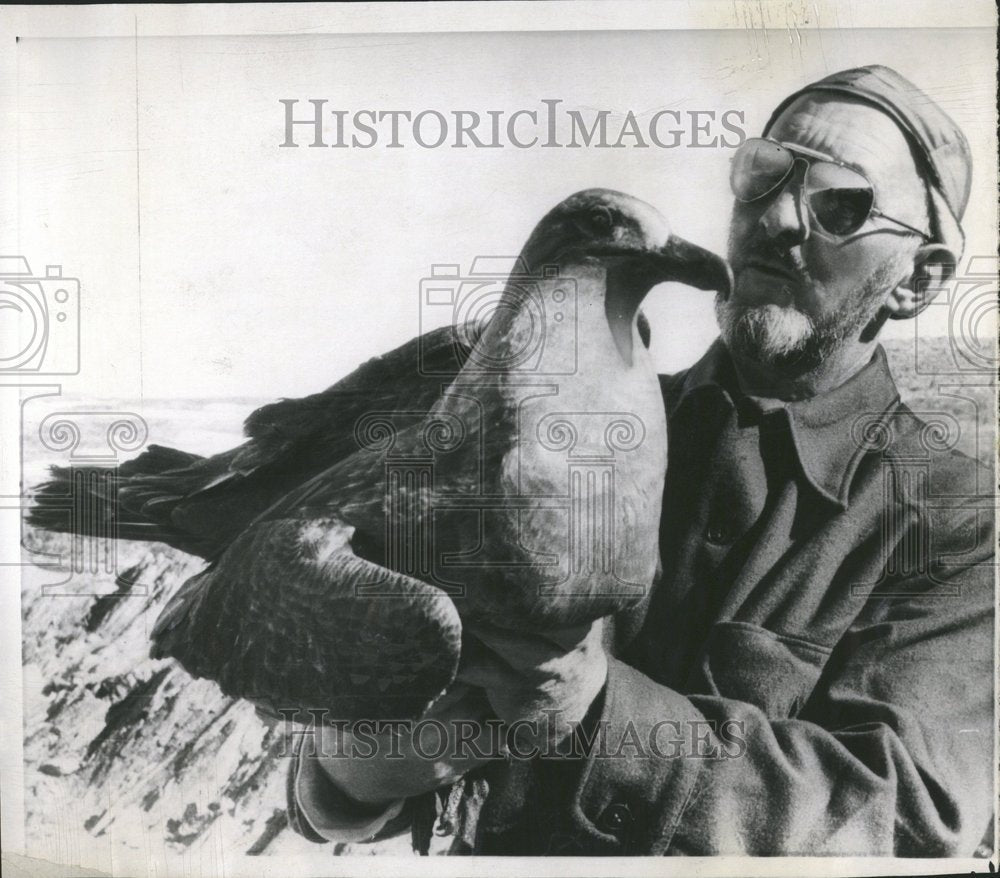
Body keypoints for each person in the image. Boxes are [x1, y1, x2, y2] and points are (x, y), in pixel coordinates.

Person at [283, 65, 995, 856]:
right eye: (765, 174)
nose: (780, 216)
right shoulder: (550, 433)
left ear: (919, 282)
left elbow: (906, 821)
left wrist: (594, 705)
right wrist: (345, 776)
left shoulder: (957, 522)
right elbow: (362, 753)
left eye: (841, 204)